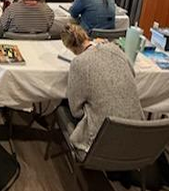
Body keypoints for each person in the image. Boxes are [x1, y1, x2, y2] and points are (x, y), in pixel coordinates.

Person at [61, 24, 143, 155]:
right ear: (86, 36)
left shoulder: (78, 63)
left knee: (62, 109)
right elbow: (132, 75)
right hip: (139, 135)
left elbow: (75, 111)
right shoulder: (115, 49)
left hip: (103, 141)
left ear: (71, 49)